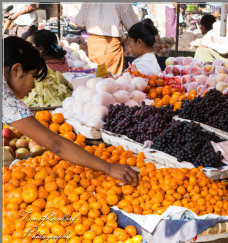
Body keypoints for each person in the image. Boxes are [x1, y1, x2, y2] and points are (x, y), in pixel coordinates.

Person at [3, 36, 138, 186]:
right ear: (16, 70)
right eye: (33, 77)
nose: (34, 86)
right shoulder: (5, 98)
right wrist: (109, 168)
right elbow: (56, 145)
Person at [75, 3, 139, 75]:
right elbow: (134, 26)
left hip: (94, 44)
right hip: (110, 46)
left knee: (95, 76)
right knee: (111, 79)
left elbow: (79, 22)